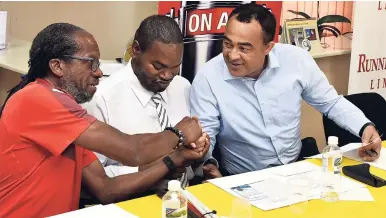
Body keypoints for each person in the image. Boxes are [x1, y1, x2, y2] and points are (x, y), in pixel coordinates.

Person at [0, 23, 209, 218]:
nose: (99, 73)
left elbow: (106, 189)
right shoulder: (36, 99)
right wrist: (179, 133)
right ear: (57, 66)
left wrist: (174, 160)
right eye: (91, 63)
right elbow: (133, 150)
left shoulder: (71, 117)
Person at [190, 3, 382, 176]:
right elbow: (206, 136)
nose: (232, 55)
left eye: (244, 48)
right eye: (227, 44)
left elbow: (330, 103)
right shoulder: (208, 78)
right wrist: (207, 162)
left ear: (268, 47)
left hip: (296, 169)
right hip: (242, 177)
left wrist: (365, 127)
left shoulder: (296, 60)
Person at [83, 15, 220, 196]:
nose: (167, 76)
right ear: (136, 50)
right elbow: (94, 179)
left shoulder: (183, 86)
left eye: (174, 67)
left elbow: (191, 158)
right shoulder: (102, 98)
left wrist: (200, 152)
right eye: (158, 66)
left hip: (186, 198)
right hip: (132, 202)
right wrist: (155, 169)